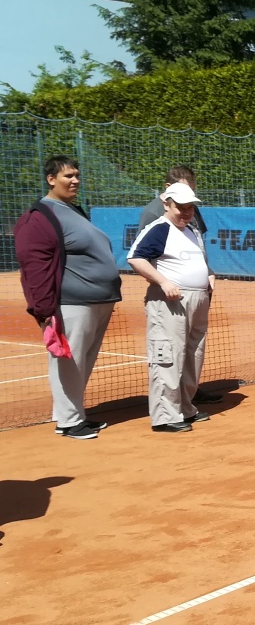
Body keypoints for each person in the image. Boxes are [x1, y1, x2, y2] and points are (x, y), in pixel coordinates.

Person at [14, 155, 122, 439]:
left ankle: (72, 414)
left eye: (76, 175)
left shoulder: (73, 210)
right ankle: (69, 422)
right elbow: (34, 265)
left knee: (81, 362)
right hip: (71, 303)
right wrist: (44, 308)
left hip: (97, 301)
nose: (75, 180)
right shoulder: (40, 216)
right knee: (68, 361)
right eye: (68, 176)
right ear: (51, 179)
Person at [127, 182, 215, 433]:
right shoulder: (159, 228)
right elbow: (135, 257)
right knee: (167, 356)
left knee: (193, 356)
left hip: (198, 301)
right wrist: (163, 282)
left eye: (190, 207)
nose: (186, 212)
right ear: (167, 204)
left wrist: (208, 278)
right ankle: (165, 416)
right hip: (170, 302)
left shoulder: (192, 230)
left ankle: (185, 407)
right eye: (181, 207)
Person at [139, 165, 219, 405]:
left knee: (193, 348)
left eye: (191, 195)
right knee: (173, 349)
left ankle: (188, 396)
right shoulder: (154, 215)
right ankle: (170, 406)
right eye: (183, 197)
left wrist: (207, 273)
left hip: (199, 293)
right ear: (168, 192)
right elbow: (143, 257)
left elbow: (197, 245)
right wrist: (164, 283)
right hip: (172, 297)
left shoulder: (193, 211)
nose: (187, 205)